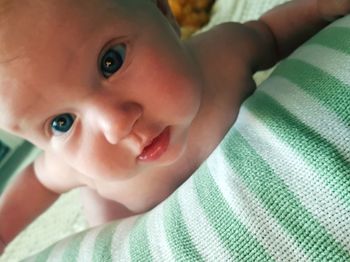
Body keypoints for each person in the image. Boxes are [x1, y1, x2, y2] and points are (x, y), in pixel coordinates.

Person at [0, 0, 349, 255]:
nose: (117, 124)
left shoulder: (221, 57)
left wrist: (319, 9)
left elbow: (270, 33)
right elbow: (37, 179)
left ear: (163, 12)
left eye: (112, 61)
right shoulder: (77, 165)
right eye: (62, 123)